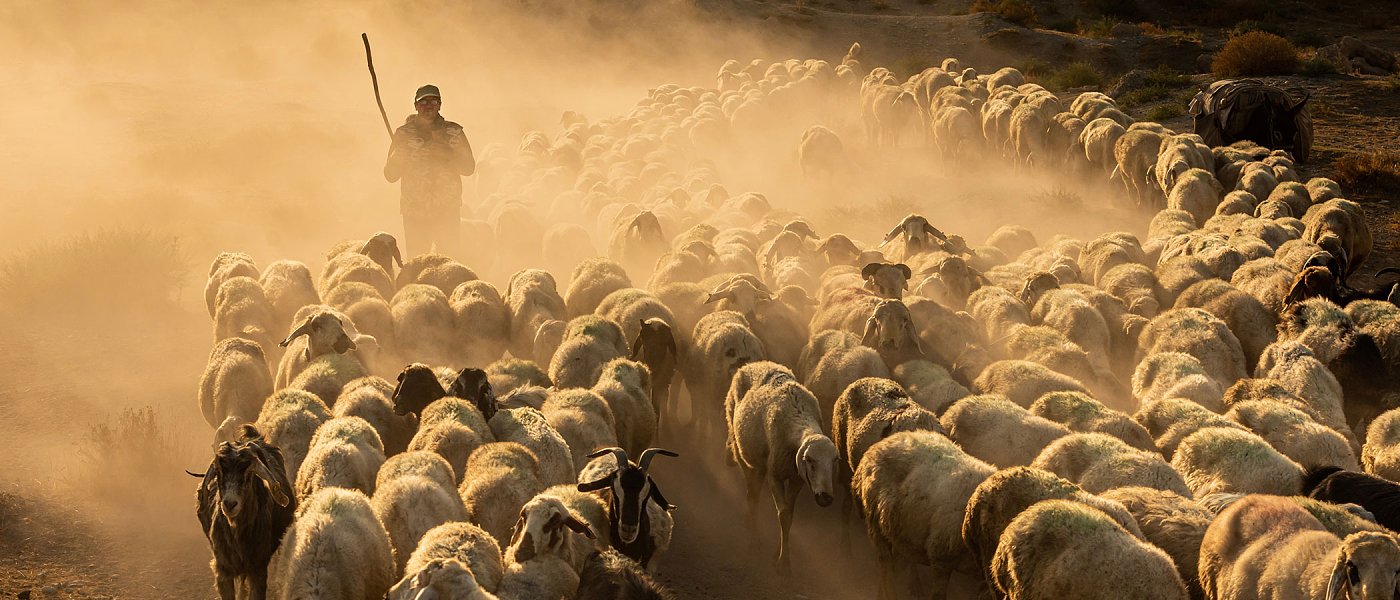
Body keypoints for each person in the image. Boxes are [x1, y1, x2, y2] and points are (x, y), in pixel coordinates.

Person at [383, 84, 476, 257]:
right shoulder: (403, 134)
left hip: (447, 209)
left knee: (450, 260)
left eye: (433, 101)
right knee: (416, 260)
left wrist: (449, 154)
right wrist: (398, 158)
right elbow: (390, 175)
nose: (428, 106)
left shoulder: (454, 132)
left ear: (440, 104)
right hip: (415, 211)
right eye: (423, 102)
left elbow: (469, 168)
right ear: (416, 106)